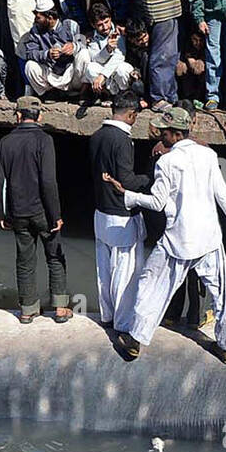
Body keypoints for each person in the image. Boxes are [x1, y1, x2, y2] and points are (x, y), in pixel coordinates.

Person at [103, 107, 226, 363]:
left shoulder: (167, 161)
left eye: (164, 131)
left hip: (179, 240)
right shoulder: (208, 155)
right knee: (223, 294)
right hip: (209, 238)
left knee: (150, 284)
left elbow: (158, 203)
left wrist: (127, 195)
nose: (160, 134)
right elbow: (222, 194)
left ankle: (135, 339)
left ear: (175, 134)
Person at [0, 95, 71, 323]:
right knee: (55, 257)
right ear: (39, 116)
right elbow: (48, 181)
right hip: (43, 212)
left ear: (18, 116)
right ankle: (59, 309)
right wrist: (56, 214)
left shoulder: (5, 142)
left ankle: (28, 310)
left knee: (25, 261)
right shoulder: (44, 140)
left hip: (18, 211)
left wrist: (1, 213)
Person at [88, 92, 151, 332]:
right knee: (125, 273)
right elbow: (126, 180)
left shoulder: (96, 136)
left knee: (103, 269)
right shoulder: (122, 140)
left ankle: (107, 316)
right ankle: (123, 324)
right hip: (121, 216)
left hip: (100, 212)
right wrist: (150, 178)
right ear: (132, 114)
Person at [21, 0, 85, 96]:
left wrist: (74, 46)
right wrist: (47, 54)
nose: (35, 20)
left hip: (70, 72)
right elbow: (30, 53)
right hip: (50, 71)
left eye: (38, 17)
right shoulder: (35, 30)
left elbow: (83, 42)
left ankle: (81, 92)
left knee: (84, 54)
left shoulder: (70, 25)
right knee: (29, 66)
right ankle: (51, 93)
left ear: (50, 18)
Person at [76, 2, 134, 102]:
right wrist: (107, 50)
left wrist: (103, 75)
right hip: (104, 70)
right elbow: (96, 58)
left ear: (110, 18)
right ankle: (107, 94)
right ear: (93, 25)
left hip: (117, 68)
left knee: (122, 69)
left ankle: (123, 95)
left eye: (106, 22)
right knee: (91, 68)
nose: (105, 27)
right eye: (100, 25)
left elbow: (119, 57)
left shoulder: (118, 31)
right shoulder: (92, 37)